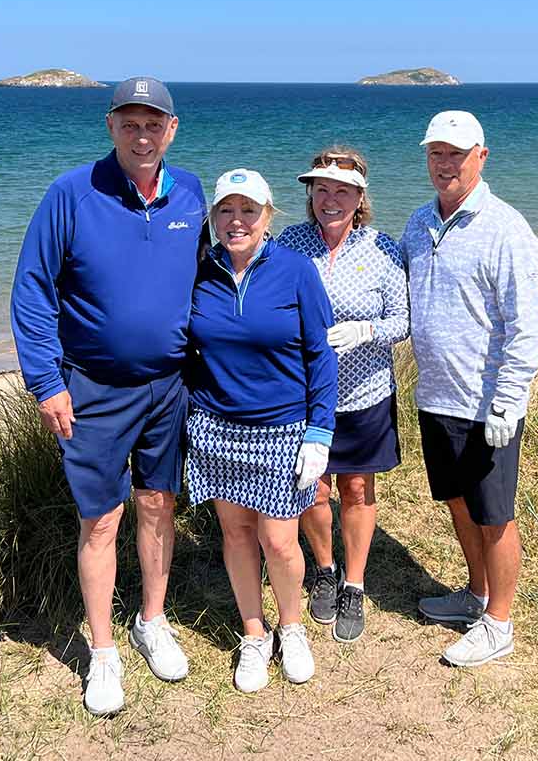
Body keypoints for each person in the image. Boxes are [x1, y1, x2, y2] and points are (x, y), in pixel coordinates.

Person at [9, 77, 206, 716]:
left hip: (170, 386)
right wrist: (46, 383)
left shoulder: (193, 194)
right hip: (91, 387)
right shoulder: (71, 193)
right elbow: (33, 290)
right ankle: (102, 653)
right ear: (110, 125)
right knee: (100, 520)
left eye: (154, 123)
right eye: (130, 123)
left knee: (157, 503)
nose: (142, 135)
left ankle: (151, 621)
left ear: (171, 130)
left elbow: (217, 270)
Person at [184, 168, 338, 693]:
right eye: (225, 210)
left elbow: (320, 354)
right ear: (212, 218)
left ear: (268, 216)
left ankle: (291, 627)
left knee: (279, 538)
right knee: (237, 533)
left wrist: (320, 431)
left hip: (283, 426)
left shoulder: (295, 270)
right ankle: (254, 632)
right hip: (216, 426)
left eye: (248, 210)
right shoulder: (200, 271)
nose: (236, 221)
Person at [400, 110, 538, 667]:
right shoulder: (418, 223)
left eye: (456, 154)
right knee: (458, 503)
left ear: (481, 156)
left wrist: (510, 398)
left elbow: (526, 324)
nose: (445, 164)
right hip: (436, 396)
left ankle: (499, 622)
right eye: (436, 153)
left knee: (494, 513)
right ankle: (476, 593)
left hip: (488, 404)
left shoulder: (506, 228)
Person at [276, 145, 408, 643]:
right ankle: (325, 571)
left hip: (365, 391)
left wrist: (366, 331)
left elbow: (403, 320)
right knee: (312, 485)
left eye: (343, 191)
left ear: (360, 197)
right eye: (322, 189)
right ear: (311, 193)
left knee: (355, 488)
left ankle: (354, 583)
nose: (330, 199)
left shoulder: (383, 249)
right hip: (304, 393)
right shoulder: (289, 243)